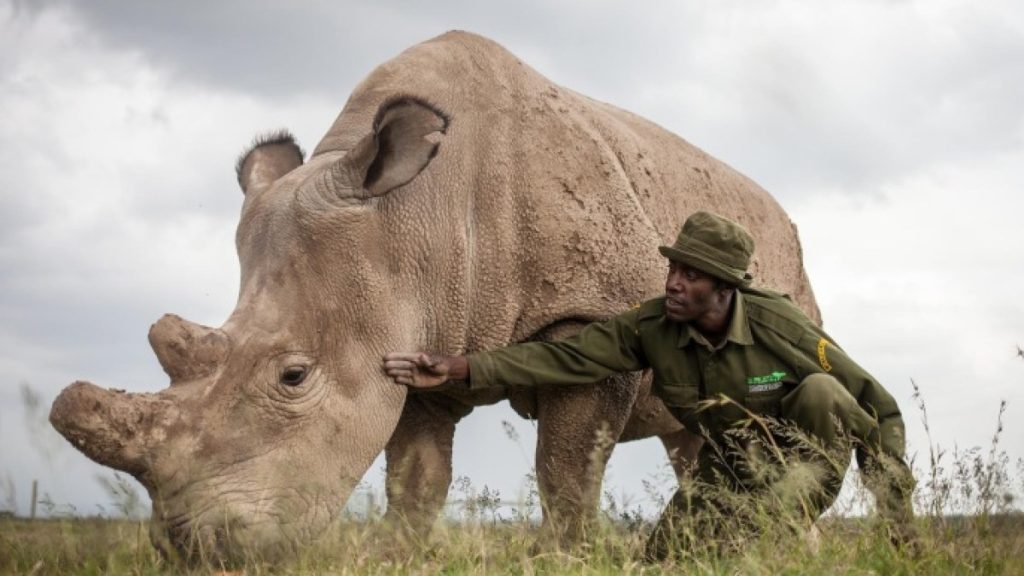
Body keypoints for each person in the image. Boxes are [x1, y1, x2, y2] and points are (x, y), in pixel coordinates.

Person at [383, 210, 915, 559]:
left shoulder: (779, 326)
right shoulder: (653, 326)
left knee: (823, 392)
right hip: (730, 466)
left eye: (691, 275)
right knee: (661, 564)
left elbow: (877, 405)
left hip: (804, 465)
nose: (673, 283)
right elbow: (569, 356)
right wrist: (460, 368)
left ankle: (773, 533)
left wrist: (898, 519)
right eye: (674, 268)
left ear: (725, 288)